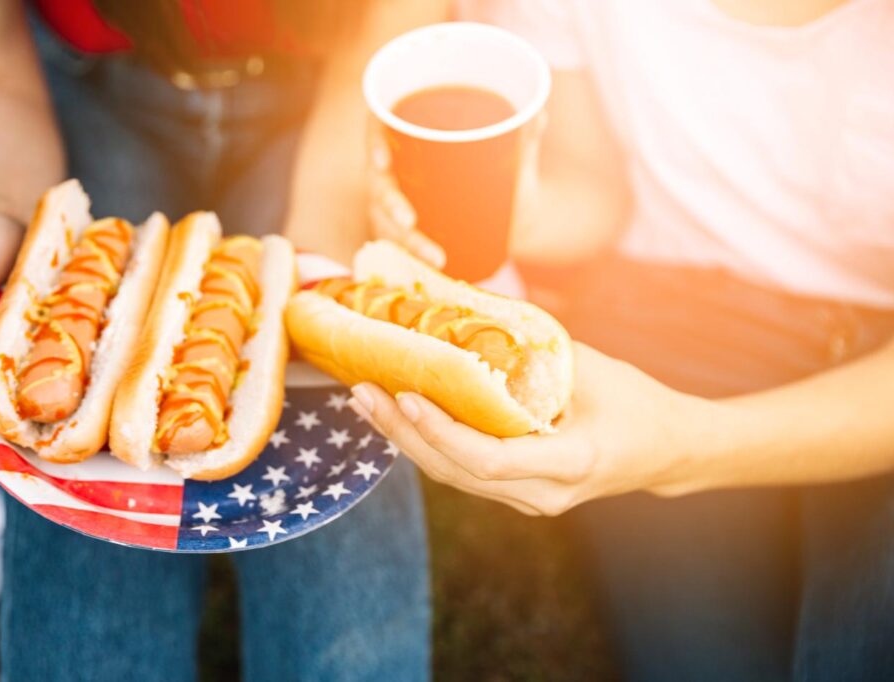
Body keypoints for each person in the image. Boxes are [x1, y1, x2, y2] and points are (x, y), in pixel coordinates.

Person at [351, 0, 894, 680]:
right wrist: (520, 213)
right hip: (668, 328)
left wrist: (680, 447)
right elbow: (598, 185)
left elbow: (677, 446)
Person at [0, 1, 447, 679]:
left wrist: (327, 230)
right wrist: (1, 211)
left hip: (330, 97)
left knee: (335, 482)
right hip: (80, 90)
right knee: (85, 516)